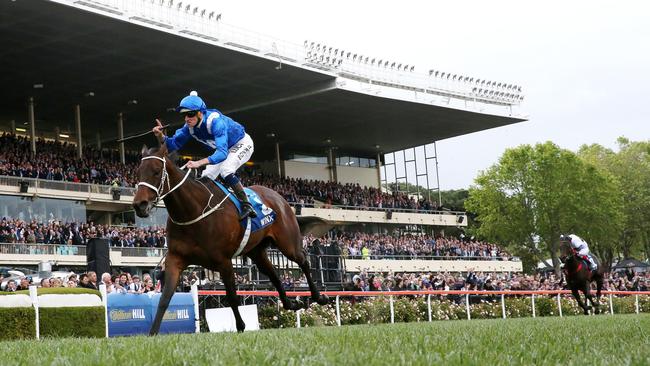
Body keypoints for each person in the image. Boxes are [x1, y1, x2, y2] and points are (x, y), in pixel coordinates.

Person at [152, 91, 256, 221]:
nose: (186, 119)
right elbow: (172, 146)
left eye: (190, 114)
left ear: (200, 113)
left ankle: (247, 204)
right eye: (184, 115)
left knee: (226, 170)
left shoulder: (216, 122)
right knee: (206, 177)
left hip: (241, 143)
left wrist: (198, 163)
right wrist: (161, 136)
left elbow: (222, 153)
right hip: (224, 149)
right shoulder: (188, 127)